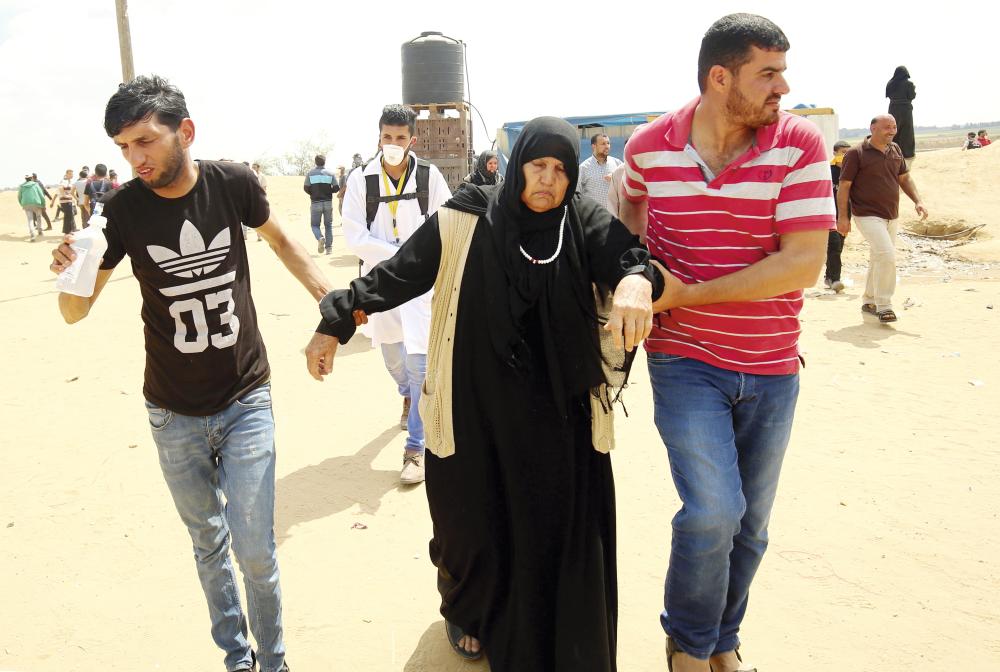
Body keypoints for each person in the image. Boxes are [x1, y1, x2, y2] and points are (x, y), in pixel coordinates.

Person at [304, 115, 662, 671]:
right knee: (468, 524)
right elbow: (399, 273)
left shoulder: (582, 220)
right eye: (538, 165)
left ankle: (554, 632)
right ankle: (467, 610)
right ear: (518, 165)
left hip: (558, 414)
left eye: (561, 170)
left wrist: (636, 282)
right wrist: (337, 321)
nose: (548, 180)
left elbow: (629, 261)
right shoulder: (466, 219)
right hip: (474, 407)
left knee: (557, 529)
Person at [48, 74, 334, 672]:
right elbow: (75, 313)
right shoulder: (123, 210)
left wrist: (330, 307)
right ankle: (237, 657)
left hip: (244, 398)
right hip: (172, 414)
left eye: (144, 141)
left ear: (185, 132)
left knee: (255, 550)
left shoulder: (231, 182)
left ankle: (274, 662)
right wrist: (69, 273)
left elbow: (283, 244)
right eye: (123, 146)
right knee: (209, 544)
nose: (134, 158)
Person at [619, 14, 835, 672]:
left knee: (750, 526)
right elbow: (629, 211)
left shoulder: (798, 143)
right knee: (714, 509)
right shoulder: (648, 147)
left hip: (772, 365)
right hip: (684, 361)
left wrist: (686, 293)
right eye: (767, 72)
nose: (783, 86)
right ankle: (687, 645)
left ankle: (723, 641)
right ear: (721, 78)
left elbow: (802, 264)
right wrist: (635, 273)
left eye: (782, 71)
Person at [338, 104, 451, 484]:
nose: (393, 144)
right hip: (381, 284)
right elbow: (355, 235)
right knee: (393, 357)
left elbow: (444, 222)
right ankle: (405, 393)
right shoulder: (361, 180)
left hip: (422, 285)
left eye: (400, 138)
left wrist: (417, 261)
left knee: (420, 362)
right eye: (387, 137)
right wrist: (400, 258)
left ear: (412, 141)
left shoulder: (431, 177)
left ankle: (416, 449)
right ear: (378, 138)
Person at [837, 114, 929, 324]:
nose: (892, 131)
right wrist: (843, 217)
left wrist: (918, 200)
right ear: (873, 128)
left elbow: (904, 178)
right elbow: (844, 187)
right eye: (887, 127)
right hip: (866, 214)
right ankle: (884, 305)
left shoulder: (895, 149)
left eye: (894, 127)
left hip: (891, 214)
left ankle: (869, 301)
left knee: (879, 257)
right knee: (887, 255)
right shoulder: (855, 153)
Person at [824, 140, 852, 293]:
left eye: (848, 153)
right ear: (835, 153)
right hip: (830, 214)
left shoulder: (853, 172)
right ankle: (835, 280)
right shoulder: (828, 171)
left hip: (846, 215)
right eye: (843, 153)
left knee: (838, 247)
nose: (845, 156)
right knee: (834, 245)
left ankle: (828, 277)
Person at [303, 154, 339, 254]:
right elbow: (336, 188)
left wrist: (313, 193)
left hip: (315, 203)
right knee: (328, 225)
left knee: (314, 225)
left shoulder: (310, 173)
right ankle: (329, 249)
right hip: (328, 203)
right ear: (325, 161)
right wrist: (328, 191)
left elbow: (306, 187)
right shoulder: (330, 173)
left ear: (315, 162)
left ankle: (320, 238)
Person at [578, 133, 622, 205]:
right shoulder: (583, 168)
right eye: (603, 144)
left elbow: (627, 184)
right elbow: (577, 195)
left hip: (614, 214)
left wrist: (616, 178)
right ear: (594, 146)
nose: (607, 146)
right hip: (594, 215)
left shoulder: (617, 164)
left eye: (608, 143)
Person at [886, 66, 916, 165]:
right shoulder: (909, 83)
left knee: (893, 130)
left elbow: (888, 96)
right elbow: (912, 96)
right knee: (906, 131)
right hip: (905, 109)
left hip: (893, 108)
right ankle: (907, 153)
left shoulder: (890, 83)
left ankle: (893, 152)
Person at [18, 173, 47, 241]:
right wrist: (43, 204)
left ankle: (32, 234)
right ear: (31, 178)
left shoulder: (22, 186)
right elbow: (41, 195)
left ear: (25, 179)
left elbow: (19, 197)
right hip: (36, 203)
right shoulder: (35, 184)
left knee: (30, 219)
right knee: (39, 217)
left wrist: (22, 204)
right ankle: (40, 231)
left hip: (26, 204)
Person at [51, 168, 77, 234]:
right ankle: (68, 231)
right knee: (69, 215)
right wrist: (64, 195)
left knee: (68, 216)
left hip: (69, 201)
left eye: (72, 174)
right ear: (67, 174)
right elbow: (60, 188)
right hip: (65, 201)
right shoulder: (63, 181)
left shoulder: (69, 181)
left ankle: (67, 231)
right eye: (70, 174)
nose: (72, 175)